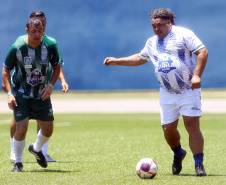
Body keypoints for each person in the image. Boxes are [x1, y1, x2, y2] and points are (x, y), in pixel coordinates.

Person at [103, 8, 208, 176]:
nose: (156, 29)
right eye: (153, 26)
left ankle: (199, 164)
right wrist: (118, 61)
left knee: (192, 125)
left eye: (159, 25)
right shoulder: (152, 42)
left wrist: (196, 75)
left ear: (169, 22)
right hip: (166, 92)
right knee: (168, 130)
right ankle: (178, 153)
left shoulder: (184, 34)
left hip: (188, 89)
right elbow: (141, 57)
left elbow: (202, 51)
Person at [1, 10, 69, 163]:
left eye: (42, 24)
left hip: (40, 88)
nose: (39, 30)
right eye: (35, 27)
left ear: (44, 27)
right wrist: (9, 90)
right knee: (19, 121)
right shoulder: (19, 44)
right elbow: (7, 68)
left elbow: (57, 65)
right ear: (28, 28)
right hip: (20, 88)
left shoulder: (50, 44)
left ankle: (41, 151)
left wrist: (56, 83)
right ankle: (15, 153)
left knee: (44, 122)